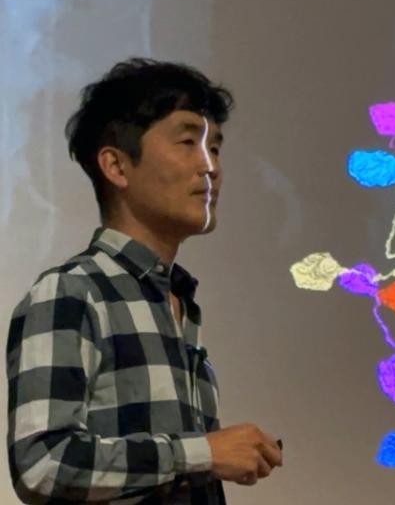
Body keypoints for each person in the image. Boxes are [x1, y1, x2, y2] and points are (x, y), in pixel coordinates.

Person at [6, 59, 283, 503]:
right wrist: (203, 452)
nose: (210, 166)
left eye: (215, 148)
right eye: (189, 141)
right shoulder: (73, 291)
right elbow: (42, 464)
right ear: (116, 166)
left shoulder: (179, 300)